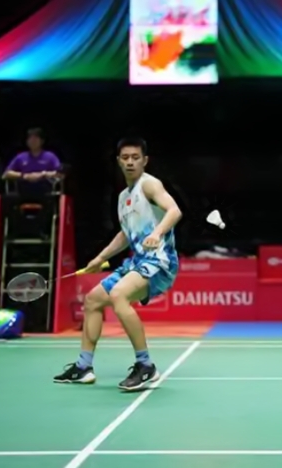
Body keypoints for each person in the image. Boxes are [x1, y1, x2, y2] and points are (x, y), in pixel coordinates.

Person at [53, 137, 182, 391]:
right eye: (125, 158)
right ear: (119, 162)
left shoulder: (149, 184)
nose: (130, 162)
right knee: (93, 300)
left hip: (159, 261)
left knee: (119, 294)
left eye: (135, 157)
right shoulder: (124, 197)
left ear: (145, 161)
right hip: (137, 261)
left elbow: (174, 211)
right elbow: (125, 234)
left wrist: (157, 233)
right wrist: (100, 258)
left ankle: (145, 365)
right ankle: (83, 367)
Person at [2, 127, 62, 194]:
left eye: (35, 139)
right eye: (30, 139)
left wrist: (43, 174)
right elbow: (6, 174)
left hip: (46, 192)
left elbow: (60, 173)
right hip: (23, 192)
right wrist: (25, 176)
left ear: (42, 141)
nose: (33, 141)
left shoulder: (50, 156)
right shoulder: (20, 157)